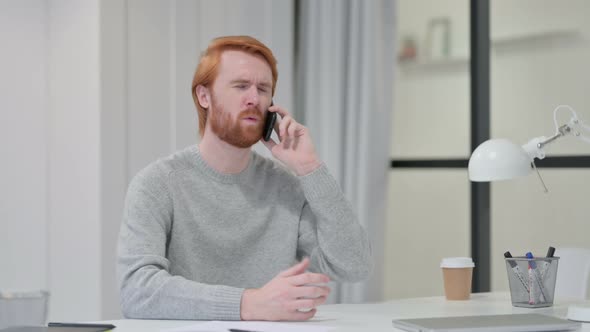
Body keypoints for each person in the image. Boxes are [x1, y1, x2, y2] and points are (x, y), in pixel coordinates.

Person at [117, 35, 372, 321]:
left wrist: (311, 169)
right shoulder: (157, 183)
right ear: (204, 96)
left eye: (263, 89)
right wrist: (249, 303)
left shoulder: (287, 186)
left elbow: (354, 266)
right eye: (240, 86)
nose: (254, 99)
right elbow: (136, 291)